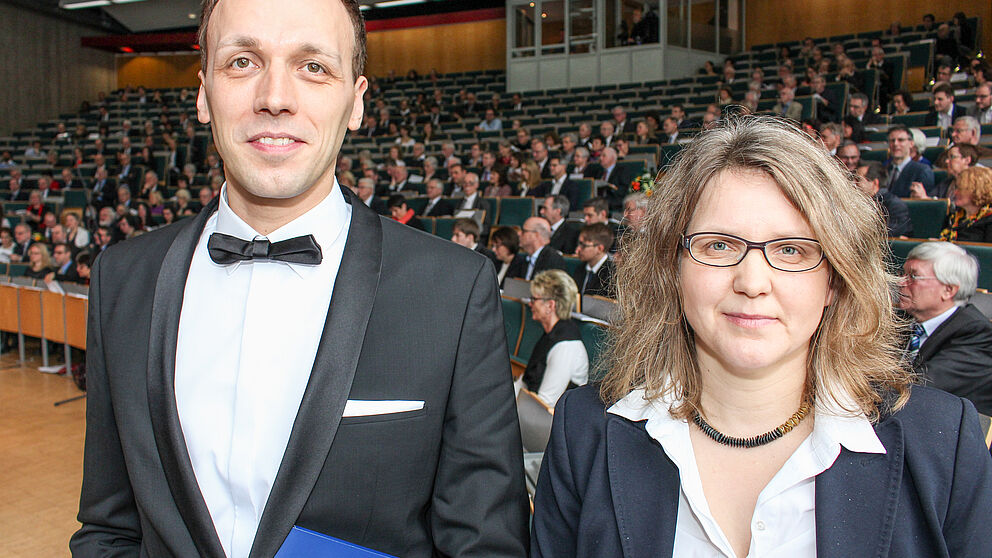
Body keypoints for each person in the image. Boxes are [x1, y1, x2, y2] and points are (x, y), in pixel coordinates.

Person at [71, 1, 529, 557]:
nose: (274, 98)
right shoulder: (122, 279)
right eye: (242, 62)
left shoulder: (453, 290)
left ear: (357, 101)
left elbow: (485, 545)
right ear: (202, 92)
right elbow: (109, 527)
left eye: (313, 66)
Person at [531, 116, 992, 557]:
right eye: (718, 245)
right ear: (672, 269)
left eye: (791, 250)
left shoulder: (942, 442)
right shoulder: (583, 431)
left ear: (835, 280)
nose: (752, 282)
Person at [899, 242, 992, 415]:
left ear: (948, 290)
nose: (901, 282)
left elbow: (917, 389)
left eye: (913, 276)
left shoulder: (977, 334)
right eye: (902, 273)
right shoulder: (901, 319)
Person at [520, 270, 589, 407]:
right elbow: (526, 382)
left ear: (550, 305)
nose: (530, 303)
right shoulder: (551, 334)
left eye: (534, 299)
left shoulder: (566, 345)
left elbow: (545, 404)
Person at [856, 162, 913, 237]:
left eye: (858, 180)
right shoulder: (857, 203)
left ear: (875, 183)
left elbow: (889, 234)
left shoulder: (895, 205)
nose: (854, 183)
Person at [940, 167, 992, 242]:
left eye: (960, 189)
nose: (955, 193)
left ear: (976, 191)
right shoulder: (953, 216)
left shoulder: (989, 219)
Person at [573, 223, 615, 297]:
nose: (577, 250)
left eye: (583, 245)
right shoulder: (580, 269)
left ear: (599, 249)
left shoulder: (612, 275)